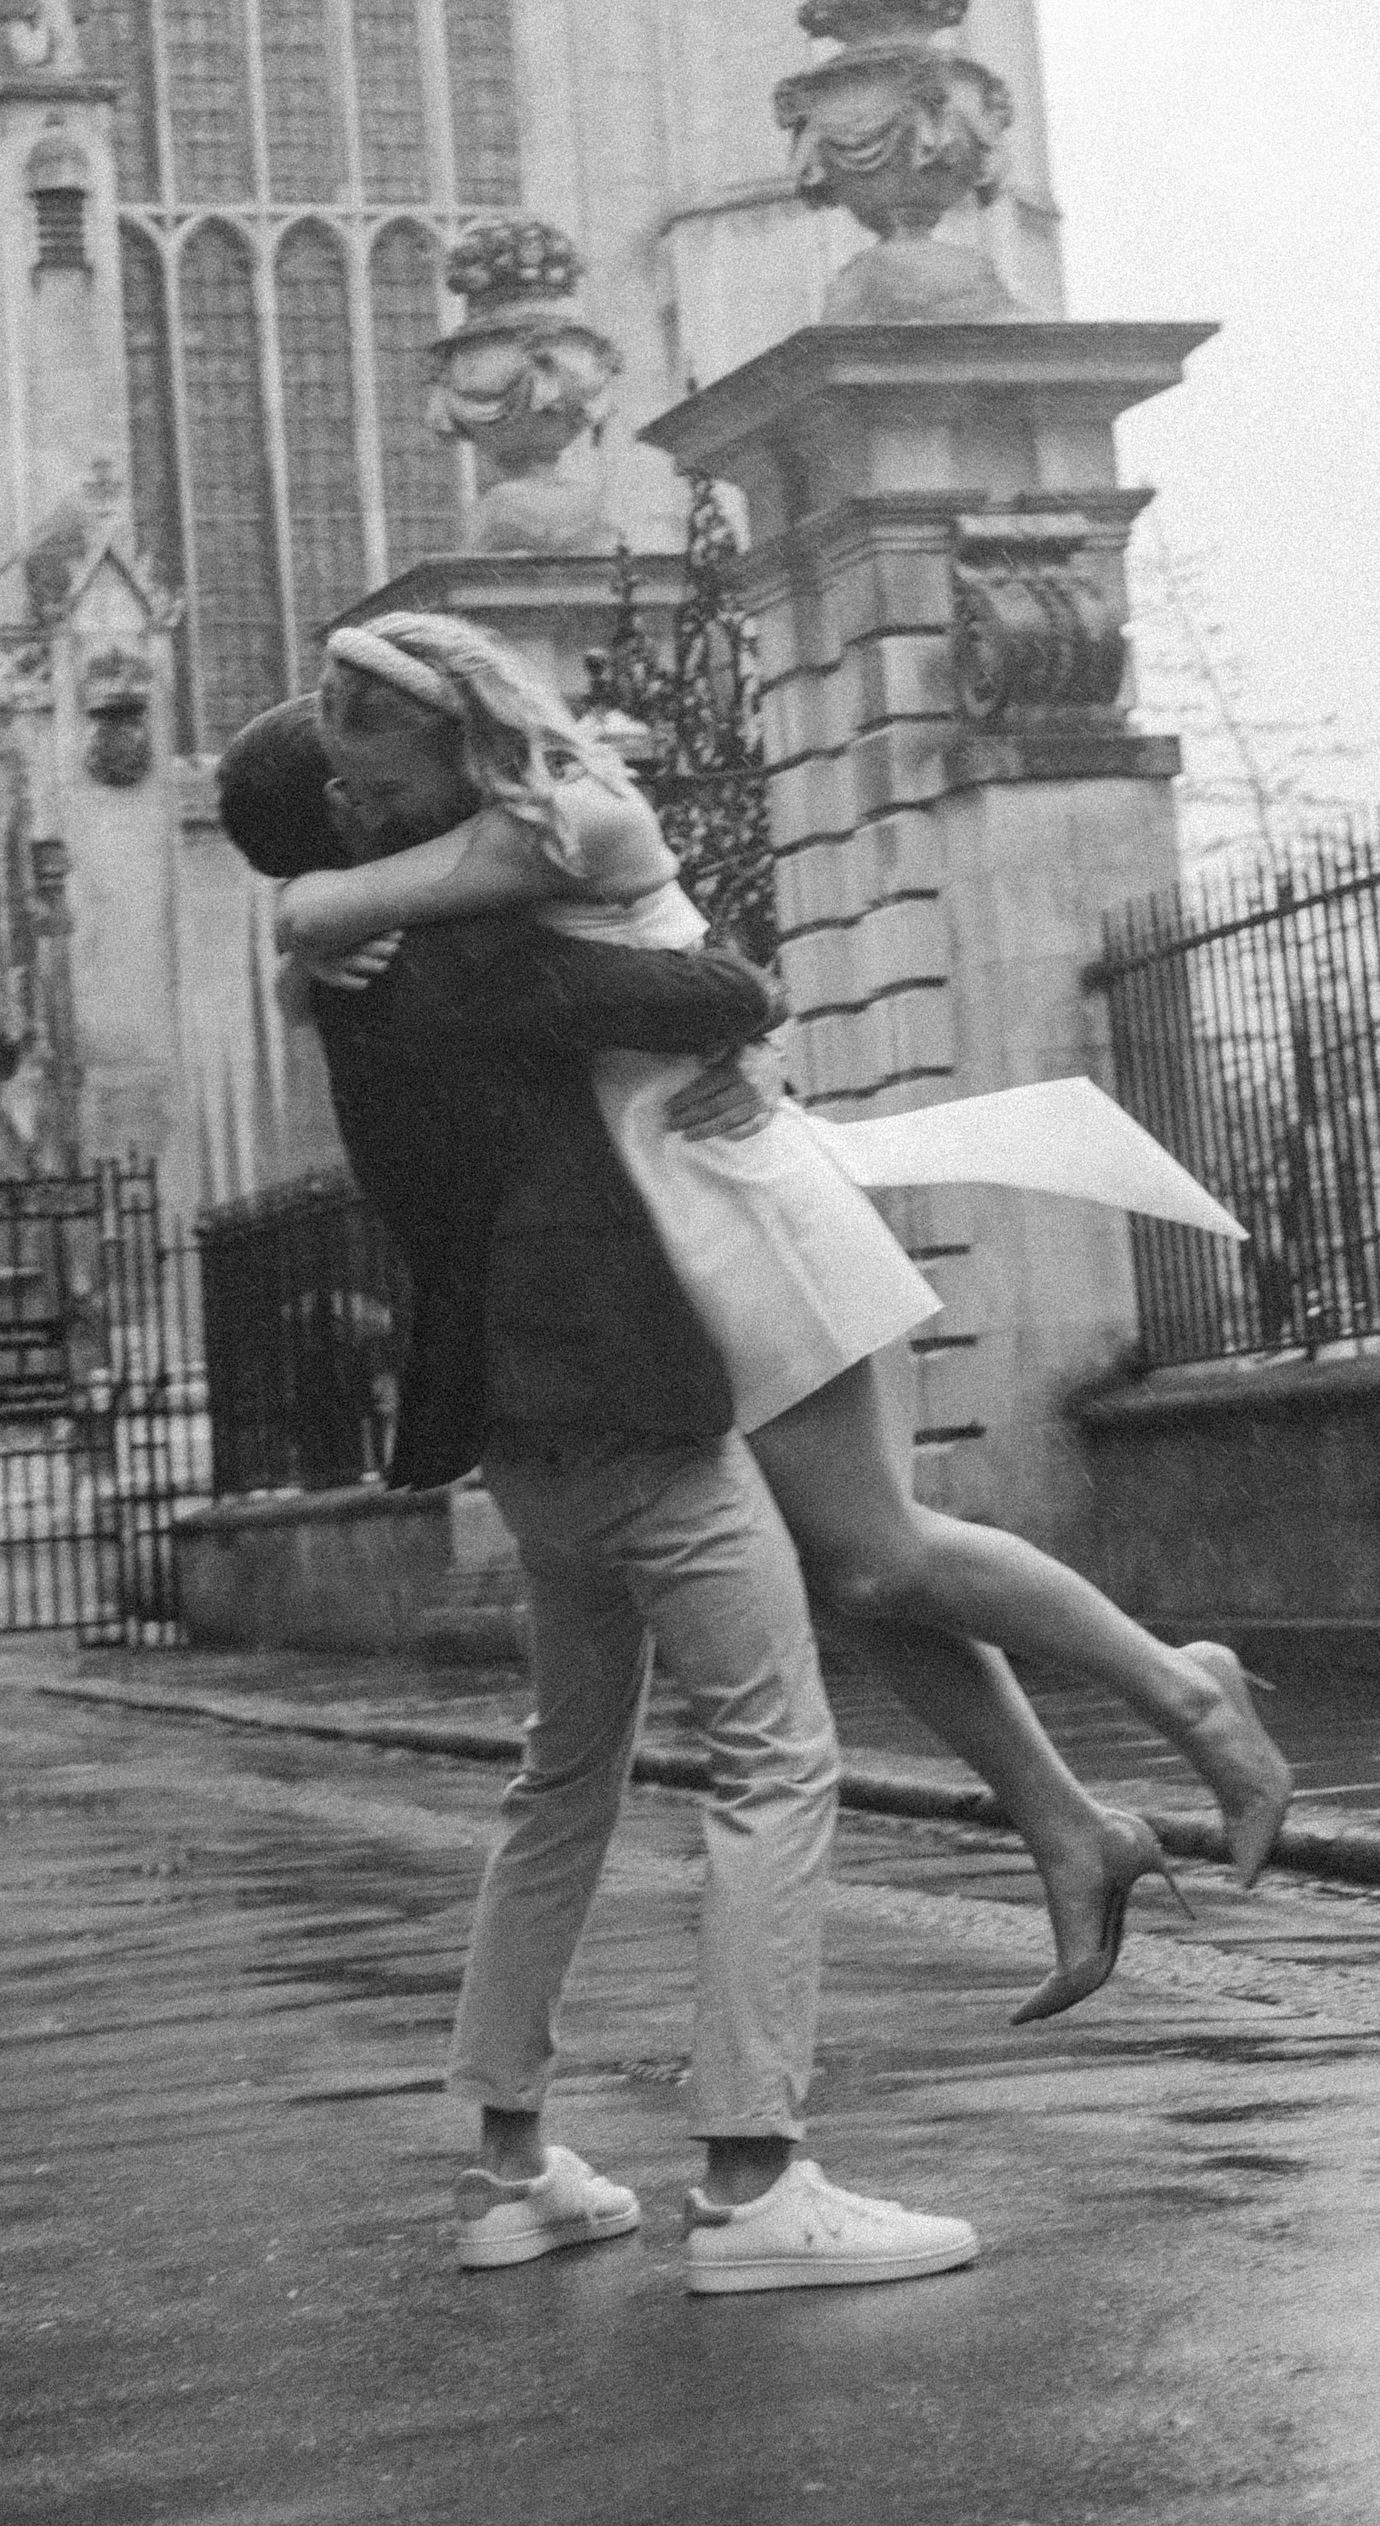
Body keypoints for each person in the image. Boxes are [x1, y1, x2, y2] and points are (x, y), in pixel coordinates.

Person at [271, 611, 1293, 2018]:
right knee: (854, 1569)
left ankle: (1189, 1698)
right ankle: (1071, 1825)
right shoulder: (475, 877)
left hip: (747, 1205)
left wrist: (311, 925)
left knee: (878, 1552)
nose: (355, 814)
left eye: (373, 782)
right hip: (685, 1222)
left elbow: (329, 909)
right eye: (340, 794)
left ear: (456, 732)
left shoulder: (565, 819)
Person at [217, 696, 981, 2294]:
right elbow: (723, 982)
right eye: (371, 778)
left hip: (511, 1424)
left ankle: (509, 2166)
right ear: (356, 827)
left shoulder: (350, 993)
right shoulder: (474, 959)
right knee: (776, 1755)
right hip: (625, 1398)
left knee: (562, 1777)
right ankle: (756, 2180)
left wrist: (327, 930)